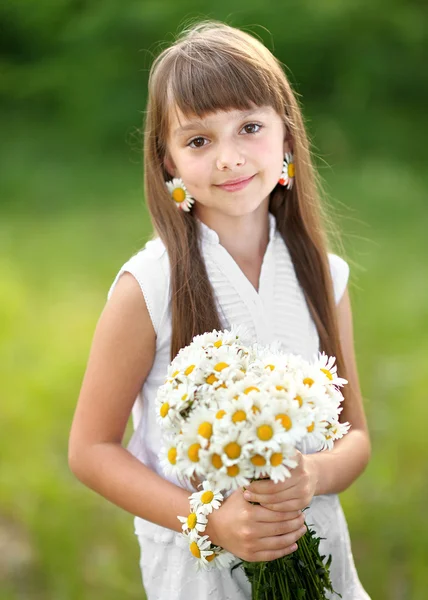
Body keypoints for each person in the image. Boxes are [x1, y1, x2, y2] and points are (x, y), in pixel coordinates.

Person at [68, 20, 371, 600]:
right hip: (200, 576)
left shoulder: (323, 275)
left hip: (320, 557)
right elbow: (90, 449)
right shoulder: (151, 285)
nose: (229, 158)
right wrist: (209, 519)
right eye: (199, 140)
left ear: (286, 137)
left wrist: (313, 477)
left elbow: (354, 436)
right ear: (168, 162)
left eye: (250, 128)